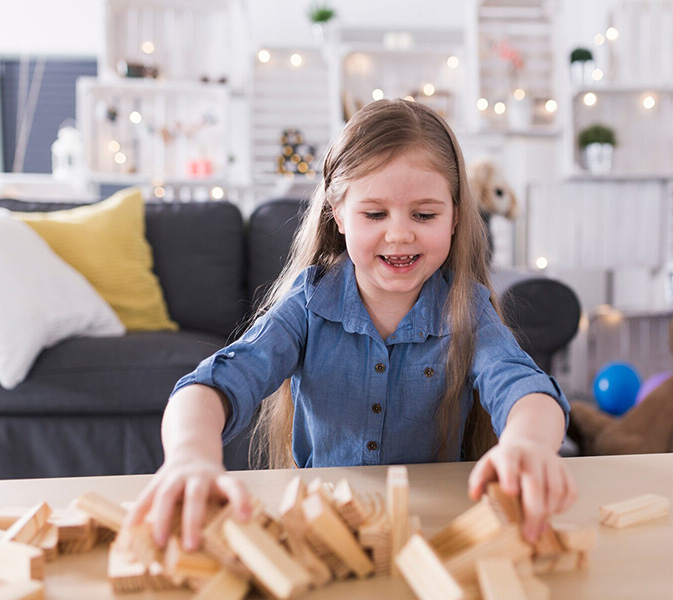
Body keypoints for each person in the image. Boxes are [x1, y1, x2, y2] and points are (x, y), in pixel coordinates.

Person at [125, 98, 576, 552]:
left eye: (424, 214)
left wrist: (528, 444)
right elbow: (215, 383)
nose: (399, 234)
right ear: (338, 213)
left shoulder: (466, 310)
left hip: (433, 533)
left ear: (456, 216)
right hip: (321, 533)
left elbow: (525, 389)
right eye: (375, 214)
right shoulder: (307, 304)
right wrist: (189, 455)